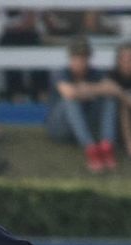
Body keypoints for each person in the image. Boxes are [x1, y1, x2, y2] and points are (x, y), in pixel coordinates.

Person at [48, 36, 119, 173]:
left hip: (87, 123)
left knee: (110, 98)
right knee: (70, 101)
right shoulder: (60, 73)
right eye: (76, 58)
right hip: (61, 128)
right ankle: (90, 148)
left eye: (83, 58)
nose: (80, 62)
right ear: (70, 58)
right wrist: (93, 91)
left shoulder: (96, 73)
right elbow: (69, 93)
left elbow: (113, 89)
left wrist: (87, 88)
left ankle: (106, 146)